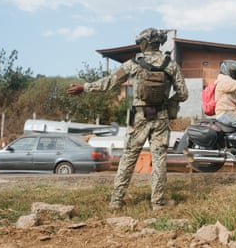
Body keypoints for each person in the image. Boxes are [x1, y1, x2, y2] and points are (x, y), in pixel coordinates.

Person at [67, 28, 188, 211]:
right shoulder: (170, 64)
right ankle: (158, 203)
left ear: (145, 43)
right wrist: (170, 103)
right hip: (161, 118)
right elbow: (183, 94)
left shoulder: (134, 63)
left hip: (139, 117)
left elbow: (109, 82)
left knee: (128, 159)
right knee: (159, 160)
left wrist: (85, 87)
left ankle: (116, 201)